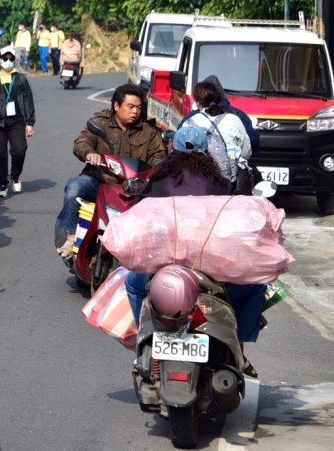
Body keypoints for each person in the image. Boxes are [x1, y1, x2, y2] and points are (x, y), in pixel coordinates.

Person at [124, 125, 267, 377]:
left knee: (134, 284)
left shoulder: (158, 181)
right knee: (256, 286)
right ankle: (240, 349)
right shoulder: (219, 182)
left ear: (173, 150)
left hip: (164, 264)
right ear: (206, 152)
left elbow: (140, 214)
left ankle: (141, 341)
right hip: (209, 264)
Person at [53, 83, 167, 257]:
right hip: (100, 180)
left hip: (132, 187)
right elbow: (81, 143)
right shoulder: (100, 123)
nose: (135, 111)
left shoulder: (148, 131)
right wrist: (90, 153)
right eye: (130, 107)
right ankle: (70, 235)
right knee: (75, 187)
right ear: (116, 105)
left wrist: (159, 166)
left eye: (138, 107)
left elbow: (158, 154)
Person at [180, 78, 252, 189]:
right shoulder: (234, 119)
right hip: (231, 183)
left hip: (197, 183)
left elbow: (182, 153)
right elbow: (246, 152)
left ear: (198, 102)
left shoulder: (189, 123)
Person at [0, 47, 36, 198]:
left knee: (19, 150)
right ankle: (2, 184)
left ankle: (15, 176)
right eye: (5, 58)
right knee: (0, 153)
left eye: (11, 59)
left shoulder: (20, 79)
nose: (8, 61)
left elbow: (28, 101)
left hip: (16, 121)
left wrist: (30, 122)